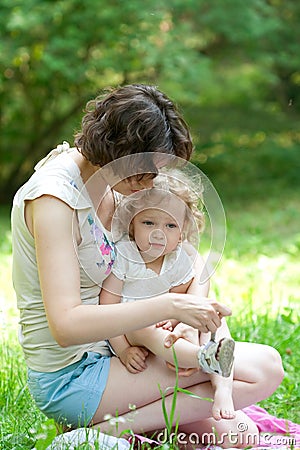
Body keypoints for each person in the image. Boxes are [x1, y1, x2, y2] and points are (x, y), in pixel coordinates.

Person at [11, 84, 284, 449]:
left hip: (123, 355)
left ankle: (124, 429)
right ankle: (106, 431)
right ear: (118, 150)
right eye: (147, 170)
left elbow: (158, 251)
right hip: (73, 375)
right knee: (264, 368)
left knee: (238, 434)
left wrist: (184, 301)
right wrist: (169, 307)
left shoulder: (108, 183)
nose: (152, 181)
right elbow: (65, 326)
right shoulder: (54, 199)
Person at [101, 174, 236, 421]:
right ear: (132, 224)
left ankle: (223, 387)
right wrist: (122, 350)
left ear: (183, 232)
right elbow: (106, 308)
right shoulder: (124, 257)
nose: (158, 234)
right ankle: (202, 358)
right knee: (146, 327)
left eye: (170, 226)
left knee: (215, 321)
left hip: (171, 324)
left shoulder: (179, 258)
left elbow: (196, 285)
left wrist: (181, 323)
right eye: (149, 223)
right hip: (133, 326)